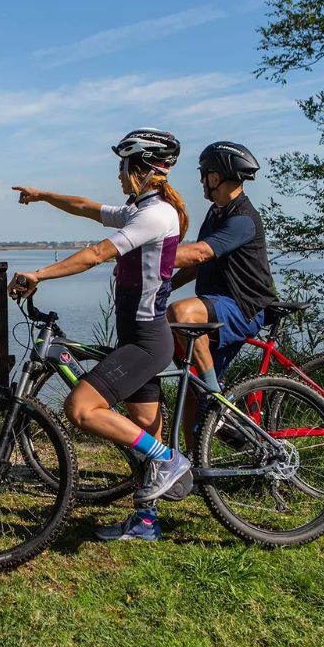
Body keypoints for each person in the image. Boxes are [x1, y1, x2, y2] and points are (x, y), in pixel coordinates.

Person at [10, 128, 191, 542]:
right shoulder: (138, 208)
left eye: (123, 165)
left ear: (142, 168)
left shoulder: (156, 214)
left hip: (146, 341)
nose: (119, 173)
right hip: (137, 337)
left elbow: (95, 255)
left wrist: (38, 274)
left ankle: (171, 462)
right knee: (144, 431)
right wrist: (43, 195)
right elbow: (86, 206)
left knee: (81, 408)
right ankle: (146, 521)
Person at [166, 142, 277, 446]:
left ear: (216, 177)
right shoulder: (217, 213)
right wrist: (164, 287)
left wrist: (142, 253)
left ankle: (214, 399)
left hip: (244, 307)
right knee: (190, 383)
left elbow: (200, 252)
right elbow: (197, 264)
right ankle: (190, 461)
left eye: (204, 174)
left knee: (180, 313)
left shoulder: (242, 218)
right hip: (218, 306)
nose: (201, 180)